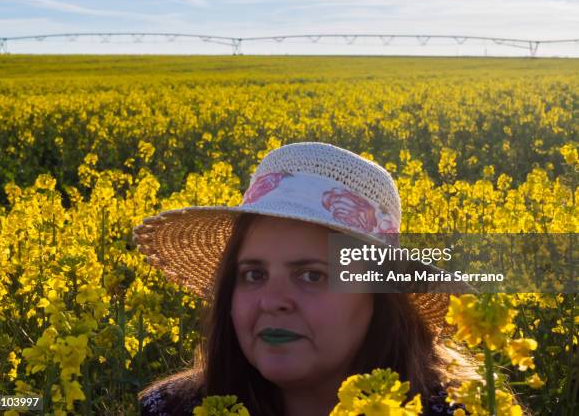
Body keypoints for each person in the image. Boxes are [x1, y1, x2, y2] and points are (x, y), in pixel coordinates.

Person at [133, 142, 478, 416]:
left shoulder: (466, 410)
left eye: (312, 275)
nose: (272, 301)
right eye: (253, 274)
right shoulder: (170, 410)